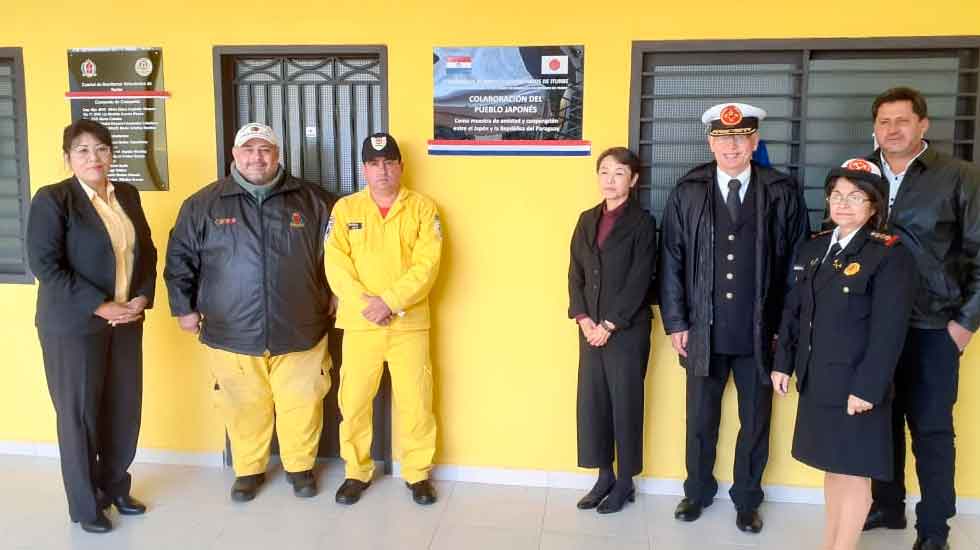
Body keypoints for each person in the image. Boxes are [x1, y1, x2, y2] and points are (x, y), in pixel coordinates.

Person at [164, 122, 336, 502]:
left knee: (302, 401)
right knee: (243, 405)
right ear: (235, 155)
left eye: (265, 150)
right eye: (249, 149)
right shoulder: (202, 204)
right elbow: (179, 259)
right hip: (231, 331)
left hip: (302, 327)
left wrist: (337, 293)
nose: (257, 157)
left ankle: (300, 467)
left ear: (278, 156)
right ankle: (249, 470)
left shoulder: (314, 201)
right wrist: (183, 308)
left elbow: (339, 254)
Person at [659, 102, 808, 532]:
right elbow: (671, 258)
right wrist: (676, 323)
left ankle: (747, 499)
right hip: (703, 328)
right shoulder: (688, 190)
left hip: (760, 333)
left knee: (756, 421)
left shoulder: (781, 191)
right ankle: (697, 492)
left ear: (754, 142)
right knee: (700, 418)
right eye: (723, 139)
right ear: (711, 142)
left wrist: (786, 328)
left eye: (741, 138)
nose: (732, 146)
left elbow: (797, 265)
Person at [773, 159, 917, 550]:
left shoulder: (888, 255)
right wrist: (783, 363)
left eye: (856, 197)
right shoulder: (816, 247)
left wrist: (868, 388)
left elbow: (889, 333)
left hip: (857, 385)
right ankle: (831, 544)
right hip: (818, 379)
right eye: (837, 195)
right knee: (833, 466)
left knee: (854, 473)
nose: (844, 204)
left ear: (874, 206)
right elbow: (794, 311)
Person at [861, 87, 980, 550]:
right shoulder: (863, 171)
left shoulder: (958, 176)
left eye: (902, 120)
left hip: (934, 327)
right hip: (871, 326)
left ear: (923, 125)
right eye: (884, 121)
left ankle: (933, 529)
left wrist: (965, 322)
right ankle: (887, 506)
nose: (892, 129)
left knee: (931, 431)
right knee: (878, 422)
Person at [26, 119, 157, 533]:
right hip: (73, 326)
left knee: (123, 407)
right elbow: (46, 266)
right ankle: (87, 506)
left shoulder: (129, 196)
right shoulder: (54, 199)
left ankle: (116, 486)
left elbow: (147, 254)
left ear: (112, 154)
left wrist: (141, 297)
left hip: (126, 322)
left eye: (101, 149)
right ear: (67, 158)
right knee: (79, 415)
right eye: (82, 150)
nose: (93, 157)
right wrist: (100, 307)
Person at [325, 133, 442, 506]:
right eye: (374, 164)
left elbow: (428, 266)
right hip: (361, 324)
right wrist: (368, 304)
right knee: (354, 402)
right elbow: (336, 264)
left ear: (401, 166)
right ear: (363, 169)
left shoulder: (423, 208)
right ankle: (356, 472)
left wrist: (389, 301)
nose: (383, 171)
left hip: (408, 324)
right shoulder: (345, 210)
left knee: (417, 401)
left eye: (389, 162)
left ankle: (418, 473)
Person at [567, 147, 657, 514]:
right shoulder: (587, 219)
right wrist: (584, 319)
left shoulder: (642, 223)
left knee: (625, 403)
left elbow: (640, 279)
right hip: (590, 330)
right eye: (604, 172)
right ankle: (603, 475)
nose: (610, 179)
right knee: (594, 403)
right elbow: (575, 274)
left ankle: (624, 482)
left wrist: (609, 324)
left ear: (633, 180)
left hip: (626, 331)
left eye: (619, 173)